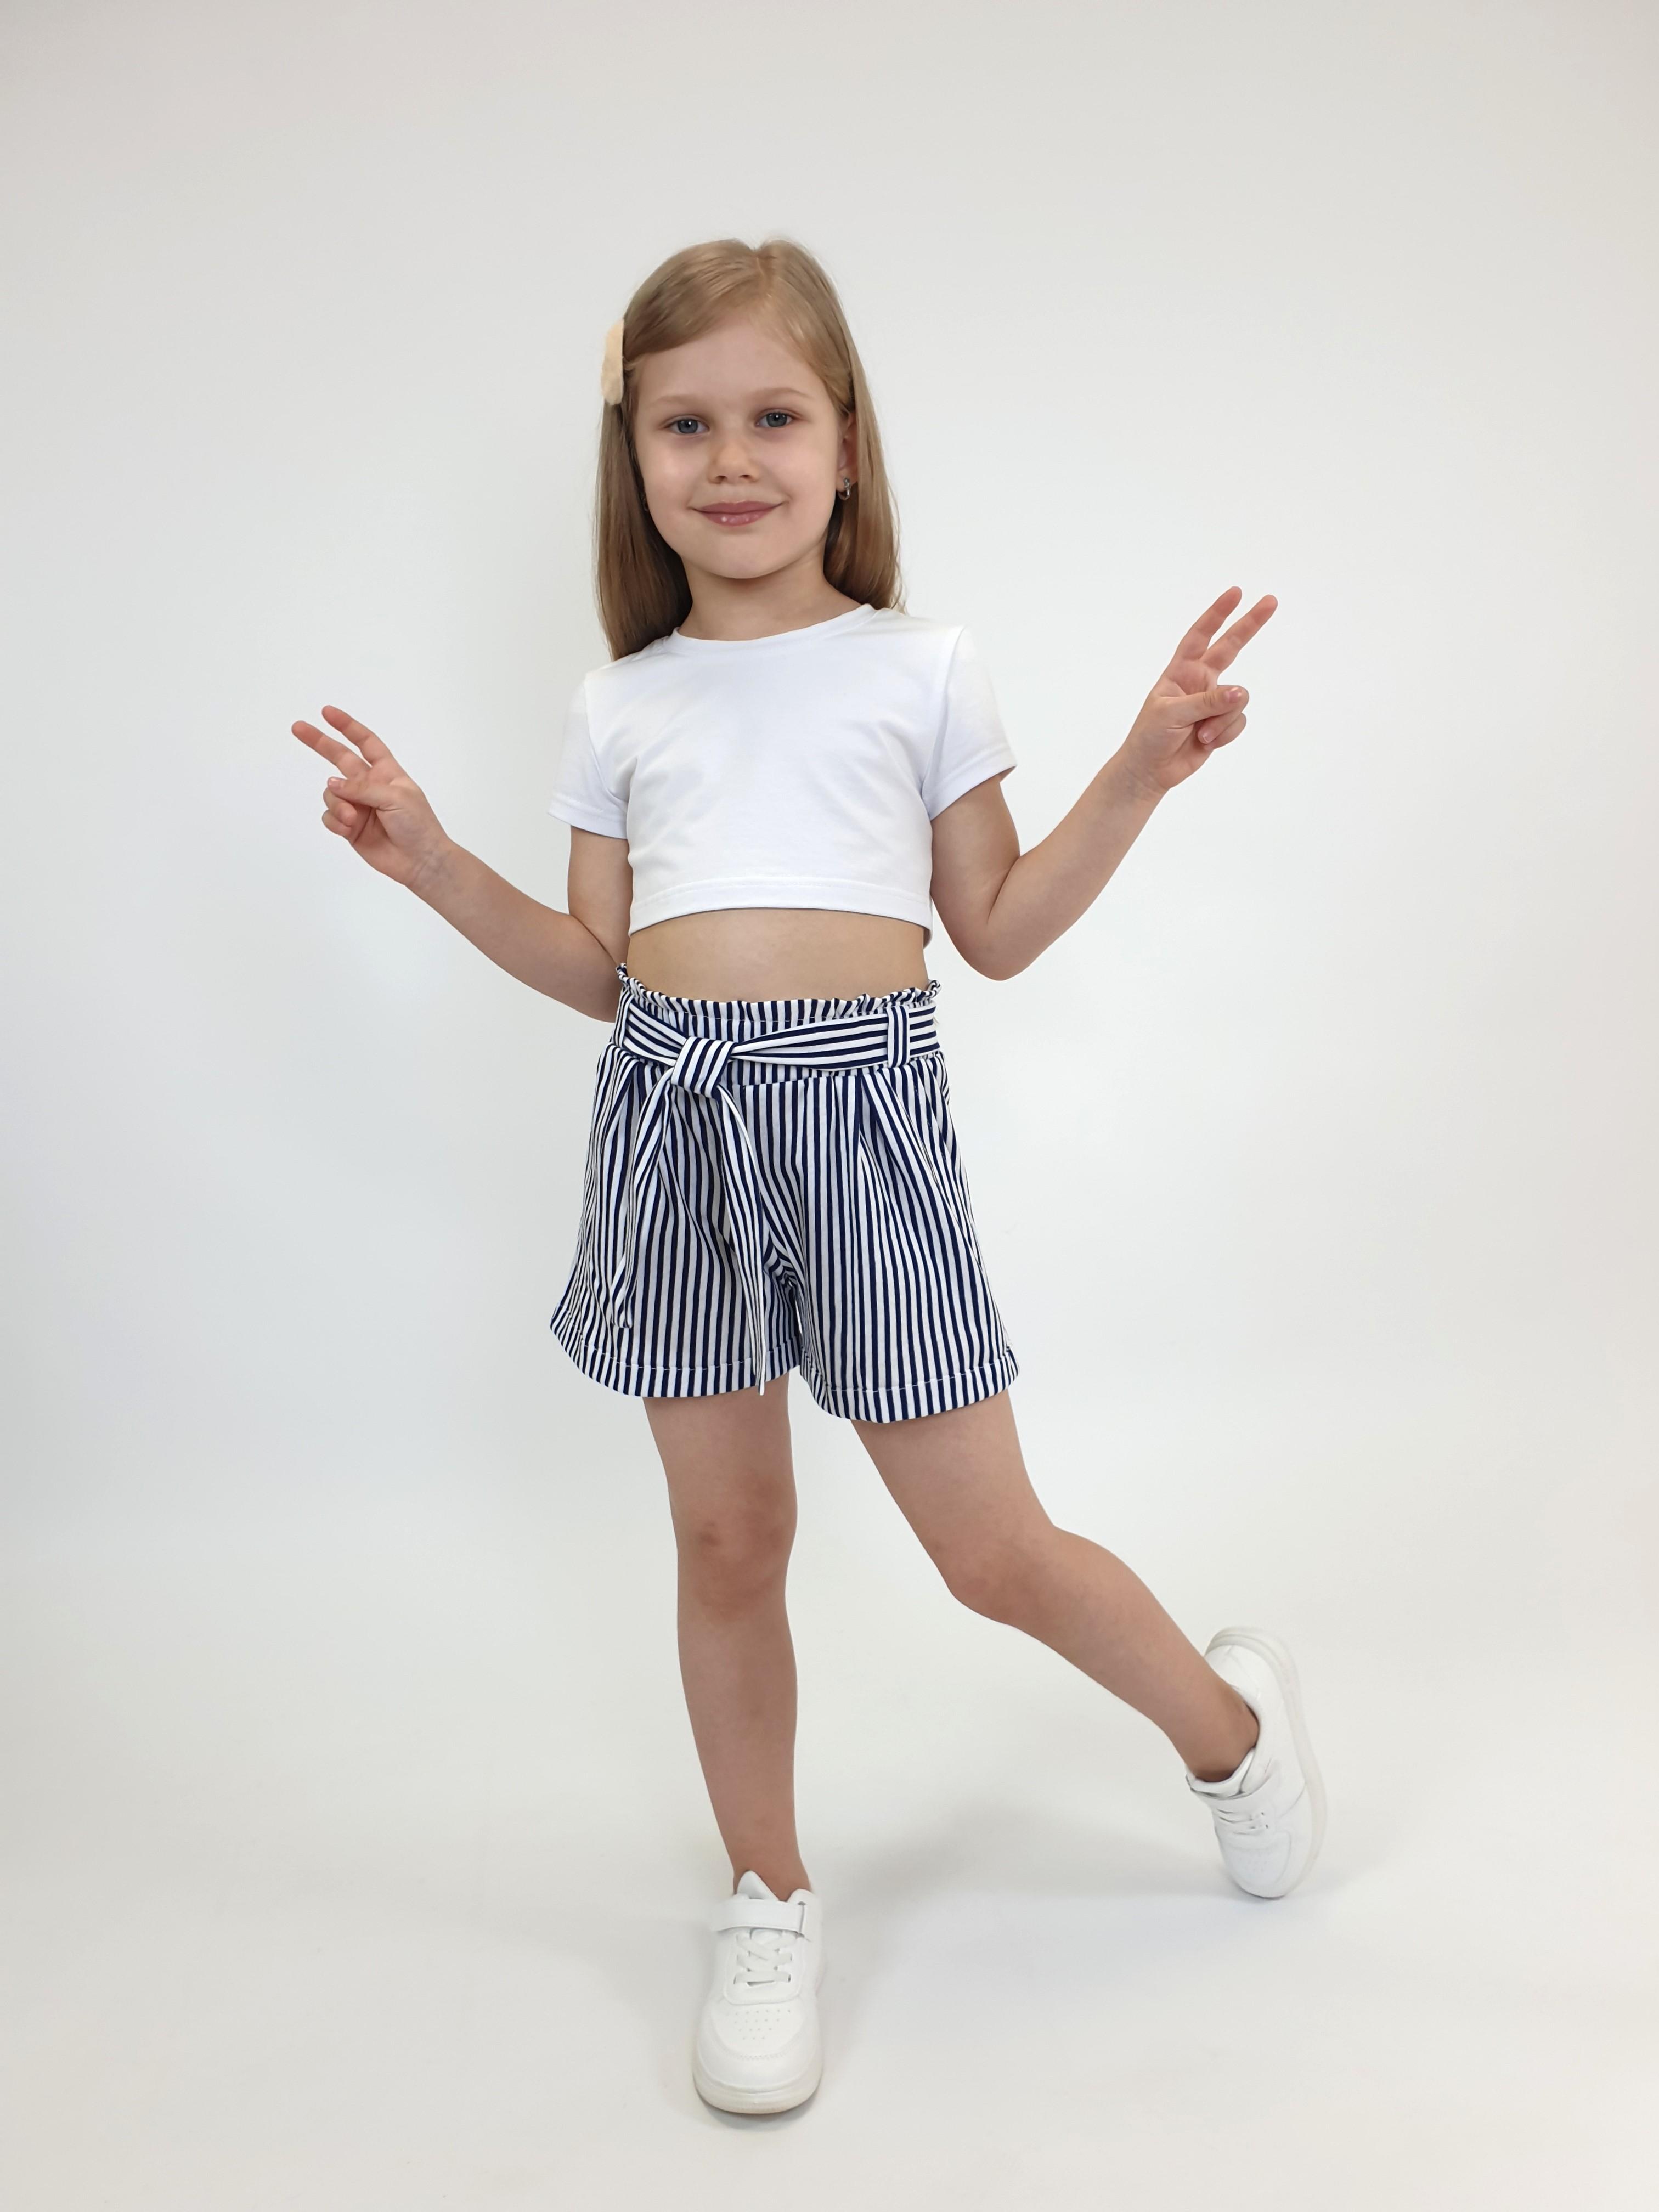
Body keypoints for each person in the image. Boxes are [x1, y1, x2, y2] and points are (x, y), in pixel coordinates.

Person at [291, 234, 1324, 2118]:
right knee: (728, 1541)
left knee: (990, 1553)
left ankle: (1232, 1732)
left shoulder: (919, 667)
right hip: (671, 1121)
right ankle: (767, 1897)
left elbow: (994, 929)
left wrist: (1140, 770)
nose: (731, 459)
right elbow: (601, 973)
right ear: (635, 456)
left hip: (862, 1122)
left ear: (847, 443)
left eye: (773, 416)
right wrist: (430, 862)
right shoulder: (625, 701)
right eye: (684, 425)